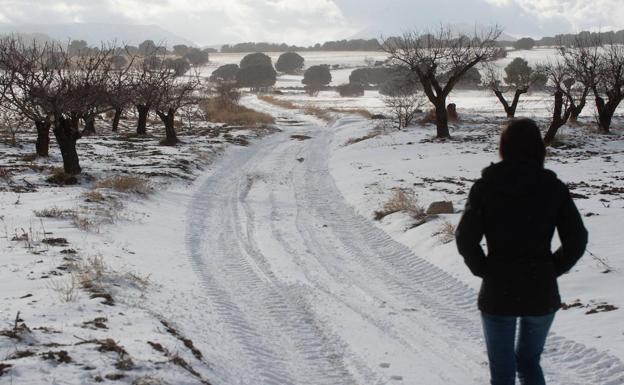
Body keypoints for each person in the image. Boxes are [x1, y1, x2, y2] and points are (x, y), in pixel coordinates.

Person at [455, 118, 588, 385]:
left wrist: (486, 270)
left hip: (498, 291)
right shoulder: (553, 188)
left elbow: (465, 238)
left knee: (502, 371)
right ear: (539, 148)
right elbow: (577, 239)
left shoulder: (486, 187)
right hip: (541, 290)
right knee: (529, 363)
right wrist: (551, 268)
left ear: (503, 147)